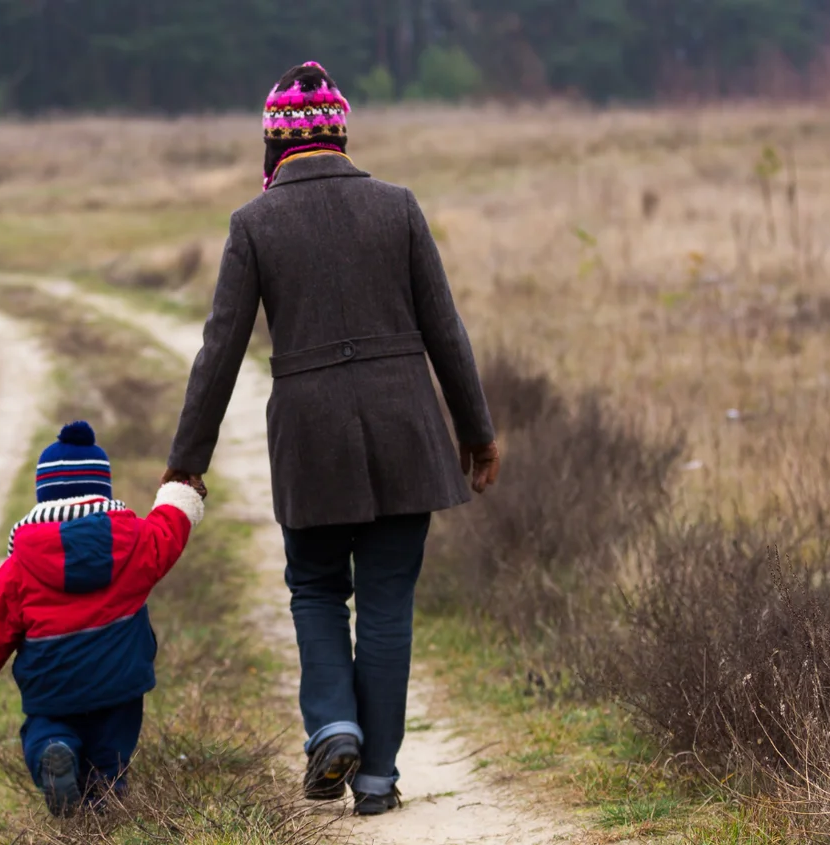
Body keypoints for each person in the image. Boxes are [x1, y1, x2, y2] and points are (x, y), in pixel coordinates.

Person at [163, 61, 499, 816]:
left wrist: (187, 462)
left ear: (274, 147)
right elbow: (447, 331)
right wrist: (476, 433)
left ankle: (334, 724)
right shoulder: (397, 206)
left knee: (315, 586)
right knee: (386, 602)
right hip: (405, 430)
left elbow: (220, 350)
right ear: (341, 132)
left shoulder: (255, 223)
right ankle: (376, 777)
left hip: (310, 440)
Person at [0, 421, 206, 816]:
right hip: (120, 682)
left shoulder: (21, 566)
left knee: (45, 729)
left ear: (43, 496)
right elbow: (169, 529)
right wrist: (180, 492)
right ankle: (104, 804)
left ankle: (53, 750)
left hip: (53, 684)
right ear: (103, 489)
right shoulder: (135, 543)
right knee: (110, 751)